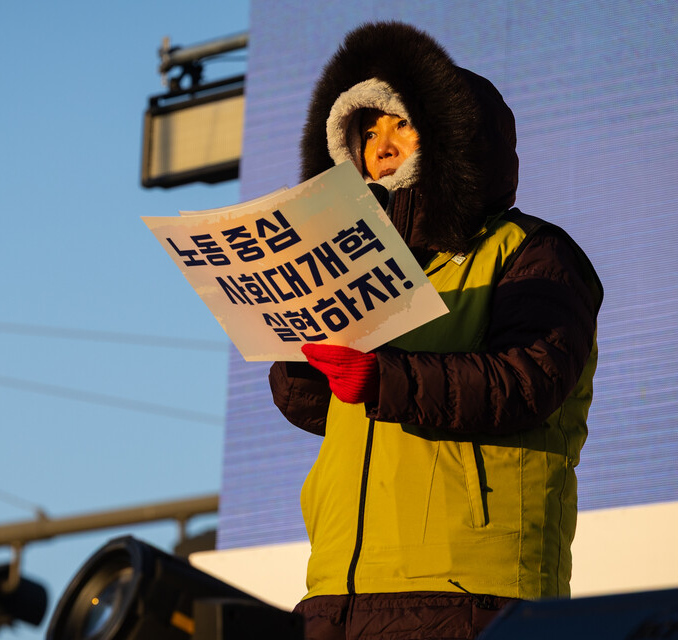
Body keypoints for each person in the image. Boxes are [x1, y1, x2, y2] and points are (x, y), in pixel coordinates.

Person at [269, 22, 602, 640]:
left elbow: (526, 380)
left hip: (473, 595)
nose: (383, 142)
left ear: (455, 137)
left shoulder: (532, 251)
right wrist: (299, 357)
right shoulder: (353, 267)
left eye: (402, 122)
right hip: (337, 596)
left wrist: (379, 375)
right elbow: (314, 404)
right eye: (368, 131)